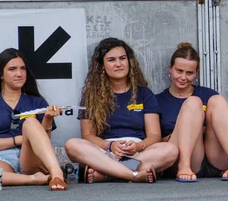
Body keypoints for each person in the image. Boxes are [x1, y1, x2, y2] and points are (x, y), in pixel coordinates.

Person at [64, 38, 178, 182]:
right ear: (102, 66)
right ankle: (132, 175)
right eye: (111, 60)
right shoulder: (91, 95)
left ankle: (107, 174)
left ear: (129, 62)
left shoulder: (144, 93)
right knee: (72, 145)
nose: (118, 64)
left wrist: (138, 146)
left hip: (138, 154)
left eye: (122, 58)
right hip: (104, 153)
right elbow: (88, 136)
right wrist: (110, 146)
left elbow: (155, 135)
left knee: (171, 150)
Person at [0, 48, 66, 190]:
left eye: (23, 69)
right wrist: (18, 139)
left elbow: (45, 141)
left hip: (31, 159)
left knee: (31, 121)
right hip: (2, 161)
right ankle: (33, 179)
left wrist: (48, 119)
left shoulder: (37, 102)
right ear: (0, 74)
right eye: (12, 69)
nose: (19, 74)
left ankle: (57, 174)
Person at [156, 42, 228, 182]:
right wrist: (185, 130)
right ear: (170, 68)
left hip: (214, 156)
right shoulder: (157, 100)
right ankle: (184, 166)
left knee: (217, 100)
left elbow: (224, 126)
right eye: (179, 71)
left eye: (189, 73)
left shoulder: (208, 94)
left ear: (196, 73)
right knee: (193, 102)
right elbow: (153, 141)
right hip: (185, 158)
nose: (183, 77)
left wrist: (204, 129)